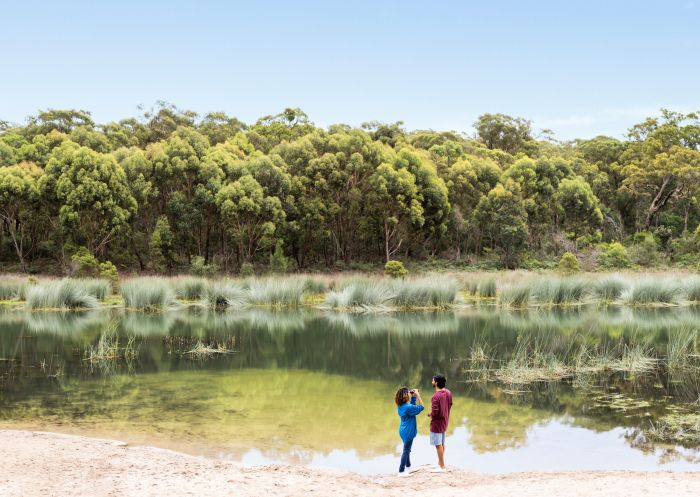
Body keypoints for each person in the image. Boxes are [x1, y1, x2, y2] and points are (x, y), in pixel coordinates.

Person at [394, 386, 424, 476]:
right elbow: (421, 407)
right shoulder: (408, 407)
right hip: (408, 431)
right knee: (406, 450)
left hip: (403, 430)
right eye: (407, 393)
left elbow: (412, 407)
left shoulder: (401, 406)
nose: (409, 393)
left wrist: (413, 397)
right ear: (404, 397)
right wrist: (418, 395)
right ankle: (401, 471)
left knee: (407, 449)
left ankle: (409, 467)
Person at [427, 374, 452, 472]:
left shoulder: (435, 397)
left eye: (433, 380)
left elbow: (435, 412)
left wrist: (430, 414)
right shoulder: (448, 392)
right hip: (445, 421)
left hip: (437, 424)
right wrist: (445, 412)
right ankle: (439, 463)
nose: (432, 382)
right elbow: (450, 404)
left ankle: (442, 466)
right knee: (441, 443)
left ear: (436, 383)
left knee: (438, 445)